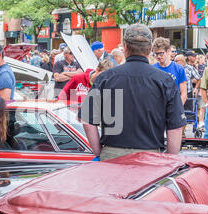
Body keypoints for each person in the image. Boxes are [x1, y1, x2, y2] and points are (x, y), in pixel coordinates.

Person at [80, 24, 186, 161]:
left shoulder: (105, 78)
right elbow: (175, 128)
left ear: (125, 47)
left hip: (112, 155)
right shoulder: (164, 81)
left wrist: (99, 152)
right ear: (149, 50)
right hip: (150, 156)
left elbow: (88, 121)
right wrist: (169, 160)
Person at [152, 37, 188, 105]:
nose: (158, 56)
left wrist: (178, 109)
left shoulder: (179, 68)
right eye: (156, 54)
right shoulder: (152, 68)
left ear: (168, 51)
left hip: (174, 107)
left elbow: (184, 93)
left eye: (161, 53)